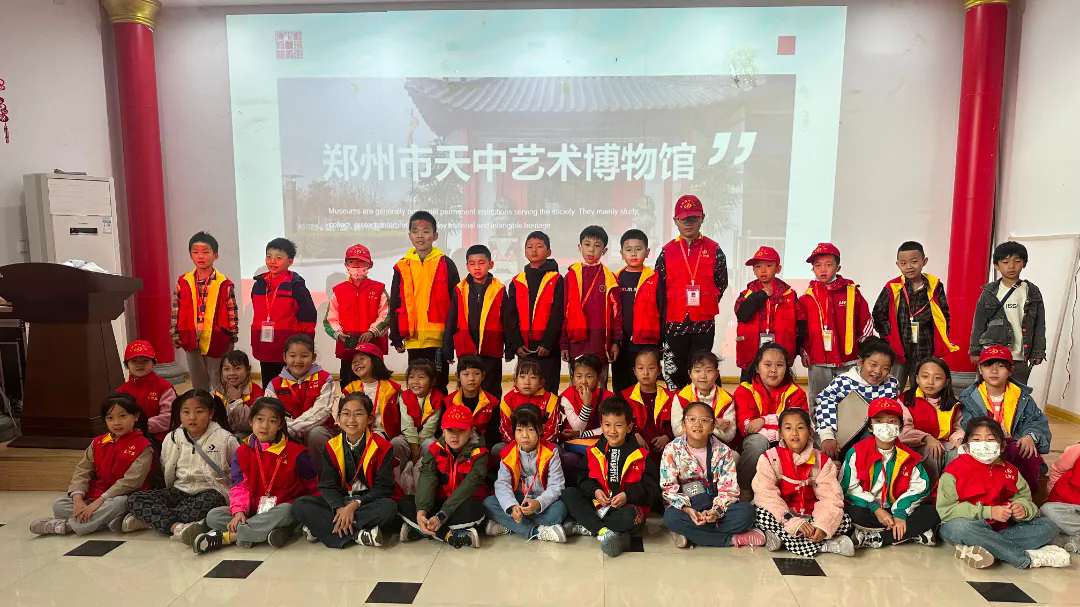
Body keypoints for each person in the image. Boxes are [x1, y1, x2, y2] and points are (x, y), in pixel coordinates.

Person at [938, 417, 1069, 569]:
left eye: (990, 440)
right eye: (977, 440)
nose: (984, 445)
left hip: (1004, 528)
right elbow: (946, 511)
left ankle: (980, 548)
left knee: (1048, 527)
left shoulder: (1011, 471)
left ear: (1001, 446)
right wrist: (989, 512)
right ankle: (1023, 558)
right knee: (957, 528)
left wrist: (1022, 508)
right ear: (967, 447)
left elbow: (1025, 499)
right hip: (971, 527)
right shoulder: (953, 472)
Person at [195, 397, 317, 553]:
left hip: (282, 509)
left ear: (280, 425)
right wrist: (239, 512)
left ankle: (229, 537)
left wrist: (311, 513)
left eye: (272, 421)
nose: (265, 426)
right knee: (213, 516)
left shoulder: (296, 453)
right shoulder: (242, 452)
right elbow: (239, 486)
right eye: (260, 419)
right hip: (253, 510)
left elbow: (312, 488)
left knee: (288, 510)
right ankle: (269, 532)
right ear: (251, 421)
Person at [120, 390, 237, 545]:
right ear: (180, 414)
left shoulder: (225, 438)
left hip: (212, 491)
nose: (192, 417)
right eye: (186, 412)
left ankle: (149, 520)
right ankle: (176, 526)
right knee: (135, 499)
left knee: (204, 504)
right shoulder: (173, 437)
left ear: (211, 413)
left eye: (199, 412)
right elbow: (165, 465)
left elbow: (238, 469)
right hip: (181, 489)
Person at [30, 393, 153, 536]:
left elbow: (131, 482)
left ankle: (68, 526)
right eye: (110, 418)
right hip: (95, 494)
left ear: (136, 416)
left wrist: (99, 502)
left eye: (122, 416)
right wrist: (78, 501)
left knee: (119, 504)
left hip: (122, 495)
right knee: (59, 505)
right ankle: (106, 520)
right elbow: (82, 470)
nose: (116, 423)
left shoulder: (143, 446)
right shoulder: (98, 442)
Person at [293, 393, 399, 549]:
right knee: (300, 504)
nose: (351, 420)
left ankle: (323, 529)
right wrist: (339, 508)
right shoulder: (331, 446)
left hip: (366, 502)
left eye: (358, 414)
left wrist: (354, 506)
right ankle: (358, 534)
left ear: (370, 419)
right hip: (341, 501)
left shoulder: (382, 447)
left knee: (388, 507)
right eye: (346, 414)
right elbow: (327, 485)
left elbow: (384, 487)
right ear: (338, 418)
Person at [561, 397, 660, 557]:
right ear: (601, 426)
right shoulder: (593, 452)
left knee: (630, 517)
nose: (612, 431)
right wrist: (595, 491)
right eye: (607, 425)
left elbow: (652, 489)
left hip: (627, 509)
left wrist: (627, 496)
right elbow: (582, 479)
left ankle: (588, 525)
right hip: (599, 506)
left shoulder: (642, 456)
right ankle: (607, 531)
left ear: (629, 427)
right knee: (568, 494)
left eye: (618, 425)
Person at [752, 408, 854, 557]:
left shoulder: (822, 461)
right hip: (784, 516)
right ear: (780, 434)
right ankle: (825, 546)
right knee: (759, 514)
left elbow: (831, 497)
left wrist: (822, 525)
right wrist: (793, 522)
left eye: (800, 428)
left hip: (812, 516)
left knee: (844, 519)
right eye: (788, 428)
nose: (794, 433)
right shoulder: (769, 458)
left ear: (810, 432)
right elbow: (766, 496)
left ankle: (785, 540)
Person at [841, 397, 939, 549]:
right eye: (879, 421)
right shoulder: (856, 453)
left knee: (932, 512)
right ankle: (911, 533)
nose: (885, 426)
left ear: (900, 427)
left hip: (899, 508)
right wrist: (875, 509)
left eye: (892, 421)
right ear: (870, 427)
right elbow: (849, 488)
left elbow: (920, 488)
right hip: (870, 510)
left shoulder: (909, 457)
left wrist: (900, 513)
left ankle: (877, 537)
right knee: (852, 513)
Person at [661, 401, 761, 549]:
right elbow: (669, 488)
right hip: (688, 506)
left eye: (704, 420)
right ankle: (731, 539)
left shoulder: (723, 452)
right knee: (671, 518)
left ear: (713, 427)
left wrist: (716, 512)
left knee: (747, 513)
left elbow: (729, 491)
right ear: (683, 425)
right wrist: (687, 509)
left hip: (714, 505)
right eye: (692, 419)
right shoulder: (671, 450)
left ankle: (691, 533)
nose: (697, 424)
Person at [655, 194, 729, 390]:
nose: (688, 223)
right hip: (674, 323)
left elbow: (721, 284)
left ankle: (705, 407)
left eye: (693, 218)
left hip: (703, 325)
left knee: (703, 373)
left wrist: (704, 302)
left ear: (702, 218)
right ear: (675, 221)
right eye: (683, 219)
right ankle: (675, 408)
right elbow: (659, 289)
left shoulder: (714, 250)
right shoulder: (666, 251)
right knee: (674, 375)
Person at [958, 344, 1051, 491]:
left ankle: (1026, 497)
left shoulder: (1022, 397)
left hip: (1013, 444)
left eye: (1001, 366)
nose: (994, 371)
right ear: (980, 369)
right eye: (988, 365)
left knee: (1025, 450)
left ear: (1010, 371)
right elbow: (965, 424)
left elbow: (1037, 421)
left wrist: (1030, 436)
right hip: (984, 444)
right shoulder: (968, 398)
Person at [398, 405, 488, 549]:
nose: (455, 436)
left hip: (461, 504)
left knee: (476, 510)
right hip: (439, 502)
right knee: (405, 503)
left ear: (471, 431)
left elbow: (470, 484)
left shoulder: (480, 454)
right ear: (443, 430)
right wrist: (422, 512)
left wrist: (442, 516)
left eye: (461, 430)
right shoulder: (435, 449)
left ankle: (421, 530)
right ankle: (449, 534)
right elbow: (427, 478)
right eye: (450, 430)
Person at [390, 211, 460, 395]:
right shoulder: (402, 266)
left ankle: (439, 415)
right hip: (412, 339)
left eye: (426, 231)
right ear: (410, 236)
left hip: (438, 339)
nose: (420, 236)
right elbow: (395, 302)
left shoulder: (446, 263)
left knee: (438, 383)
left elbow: (456, 304)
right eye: (415, 231)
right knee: (416, 384)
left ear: (435, 236)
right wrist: (395, 335)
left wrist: (452, 338)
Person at [873, 241, 957, 392]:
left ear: (924, 261)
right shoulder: (893, 286)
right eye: (904, 263)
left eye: (914, 261)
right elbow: (878, 313)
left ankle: (918, 406)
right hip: (899, 347)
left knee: (920, 385)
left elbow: (944, 315)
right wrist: (888, 336)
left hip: (925, 346)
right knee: (893, 384)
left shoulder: (934, 286)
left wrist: (940, 340)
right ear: (898, 265)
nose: (909, 267)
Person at [798, 243, 874, 408]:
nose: (823, 270)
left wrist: (863, 350)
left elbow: (866, 321)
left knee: (851, 400)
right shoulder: (806, 298)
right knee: (818, 399)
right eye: (818, 266)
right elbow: (801, 329)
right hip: (818, 360)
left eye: (828, 265)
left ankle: (848, 426)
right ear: (813, 269)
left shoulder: (852, 292)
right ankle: (819, 425)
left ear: (838, 267)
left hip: (849, 359)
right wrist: (804, 351)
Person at [484, 404, 568, 542]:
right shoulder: (508, 453)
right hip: (517, 500)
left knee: (560, 510)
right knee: (489, 503)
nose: (525, 436)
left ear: (541, 430)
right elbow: (502, 484)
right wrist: (511, 506)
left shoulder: (551, 452)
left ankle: (509, 525)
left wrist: (538, 503)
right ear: (513, 432)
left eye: (531, 429)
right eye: (519, 430)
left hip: (541, 502)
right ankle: (536, 531)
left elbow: (556, 486)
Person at [734, 343, 810, 490]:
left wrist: (763, 421)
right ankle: (744, 489)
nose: (773, 370)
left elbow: (798, 424)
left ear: (786, 368)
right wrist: (780, 427)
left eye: (779, 365)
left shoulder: (796, 393)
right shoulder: (745, 390)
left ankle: (794, 489)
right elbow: (748, 427)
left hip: (786, 438)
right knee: (758, 443)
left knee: (806, 440)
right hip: (753, 441)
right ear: (757, 368)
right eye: (767, 365)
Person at [970, 241, 1046, 386]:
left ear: (1024, 263)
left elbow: (1039, 324)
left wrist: (1038, 351)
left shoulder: (1032, 291)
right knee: (986, 392)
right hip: (992, 352)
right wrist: (975, 350)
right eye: (1005, 262)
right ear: (996, 265)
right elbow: (979, 323)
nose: (1011, 266)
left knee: (1016, 393)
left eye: (1017, 261)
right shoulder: (989, 292)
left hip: (1020, 355)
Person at [170, 231, 238, 391]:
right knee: (198, 383)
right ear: (190, 256)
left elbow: (232, 311)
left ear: (216, 255)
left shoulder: (224, 283)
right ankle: (201, 405)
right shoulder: (183, 281)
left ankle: (221, 407)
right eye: (196, 252)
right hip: (190, 337)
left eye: (206, 252)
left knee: (219, 382)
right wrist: (174, 332)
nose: (200, 256)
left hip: (216, 338)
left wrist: (232, 336)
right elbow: (176, 308)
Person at [814, 336, 900, 459]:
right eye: (873, 364)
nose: (878, 371)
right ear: (860, 362)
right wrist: (827, 435)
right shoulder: (844, 381)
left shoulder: (892, 384)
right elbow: (824, 404)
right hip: (843, 440)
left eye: (885, 368)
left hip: (876, 441)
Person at [264, 334, 339, 473]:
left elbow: (322, 411)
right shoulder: (274, 385)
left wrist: (293, 429)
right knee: (269, 433)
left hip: (318, 429)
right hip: (286, 430)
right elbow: (271, 414)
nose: (298, 361)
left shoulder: (324, 379)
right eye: (292, 356)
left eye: (304, 356)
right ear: (284, 357)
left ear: (313, 357)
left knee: (316, 434)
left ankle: (322, 480)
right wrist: (286, 429)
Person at [250, 237, 317, 386]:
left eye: (278, 258)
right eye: (269, 256)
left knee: (290, 387)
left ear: (290, 262)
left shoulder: (296, 286)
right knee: (269, 387)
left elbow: (309, 318)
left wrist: (303, 347)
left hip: (290, 350)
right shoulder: (258, 285)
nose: (272, 261)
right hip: (266, 347)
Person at [504, 230, 565, 393]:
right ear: (524, 251)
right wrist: (516, 344)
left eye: (539, 246)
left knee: (548, 390)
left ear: (549, 252)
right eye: (529, 247)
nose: (534, 250)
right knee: (525, 390)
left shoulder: (557, 280)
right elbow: (511, 317)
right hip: (524, 347)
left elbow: (558, 314)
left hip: (548, 348)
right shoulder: (517, 281)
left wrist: (547, 343)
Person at [733, 245, 803, 383]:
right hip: (751, 356)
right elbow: (742, 315)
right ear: (753, 270)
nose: (763, 270)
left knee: (781, 391)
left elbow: (800, 324)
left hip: (780, 358)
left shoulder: (789, 295)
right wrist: (760, 295)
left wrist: (796, 352)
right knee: (748, 391)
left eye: (768, 266)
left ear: (778, 269)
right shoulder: (746, 294)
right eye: (758, 266)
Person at [324, 244, 390, 388]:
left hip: (373, 347)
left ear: (370, 265)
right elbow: (330, 319)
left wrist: (372, 332)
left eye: (360, 262)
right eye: (352, 262)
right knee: (348, 386)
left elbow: (386, 315)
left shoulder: (379, 289)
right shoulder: (339, 291)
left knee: (376, 386)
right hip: (348, 349)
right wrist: (339, 335)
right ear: (345, 264)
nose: (356, 266)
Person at [561, 225, 621, 385]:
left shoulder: (610, 278)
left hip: (599, 344)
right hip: (576, 344)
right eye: (587, 244)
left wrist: (615, 342)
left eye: (597, 246)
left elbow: (616, 314)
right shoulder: (570, 276)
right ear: (579, 247)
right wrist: (564, 344)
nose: (591, 250)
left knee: (600, 387)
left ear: (604, 250)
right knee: (577, 388)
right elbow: (564, 312)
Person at [444, 244, 505, 400]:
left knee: (491, 389)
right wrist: (448, 348)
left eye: (481, 263)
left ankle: (492, 415)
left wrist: (510, 348)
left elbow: (507, 320)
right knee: (467, 388)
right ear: (467, 266)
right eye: (472, 263)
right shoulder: (460, 289)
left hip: (491, 348)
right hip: (466, 348)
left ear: (491, 264)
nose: (477, 267)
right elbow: (451, 320)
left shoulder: (499, 289)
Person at [341, 343, 410, 471]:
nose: (357, 363)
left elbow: (405, 417)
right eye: (354, 361)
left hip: (389, 435)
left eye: (362, 359)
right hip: (359, 434)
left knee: (398, 443)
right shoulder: (349, 390)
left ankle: (399, 477)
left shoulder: (392, 388)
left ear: (375, 361)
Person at [899, 356, 963, 484]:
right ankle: (928, 489)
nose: (930, 382)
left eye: (937, 378)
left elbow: (958, 427)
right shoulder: (905, 400)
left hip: (944, 444)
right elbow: (903, 432)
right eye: (925, 376)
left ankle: (949, 489)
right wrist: (927, 438)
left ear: (946, 382)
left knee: (958, 450)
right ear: (917, 379)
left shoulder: (952, 404)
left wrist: (959, 439)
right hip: (917, 446)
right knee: (932, 451)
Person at [612, 229, 661, 393]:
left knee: (645, 386)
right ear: (621, 253)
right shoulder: (614, 279)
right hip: (621, 344)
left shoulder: (654, 278)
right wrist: (613, 341)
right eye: (628, 249)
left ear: (647, 252)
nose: (633, 253)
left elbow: (662, 311)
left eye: (638, 249)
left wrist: (660, 344)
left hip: (646, 344)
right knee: (621, 387)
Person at [559, 354, 614, 481]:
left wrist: (582, 434)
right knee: (569, 460)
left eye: (589, 376)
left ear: (598, 378)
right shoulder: (567, 397)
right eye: (579, 376)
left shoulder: (608, 397)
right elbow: (577, 427)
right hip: (574, 444)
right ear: (572, 378)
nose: (583, 381)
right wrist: (587, 405)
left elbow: (609, 427)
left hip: (601, 442)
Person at [672, 350, 736, 446]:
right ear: (690, 374)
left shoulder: (727, 399)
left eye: (709, 371)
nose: (703, 376)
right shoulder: (681, 397)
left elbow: (729, 435)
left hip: (718, 448)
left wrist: (695, 425)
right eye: (697, 371)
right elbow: (678, 431)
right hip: (688, 447)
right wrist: (713, 423)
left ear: (717, 374)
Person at [116, 340, 176, 441]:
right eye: (134, 361)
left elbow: (168, 418)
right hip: (127, 436)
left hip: (158, 439)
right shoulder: (121, 391)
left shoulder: (164, 387)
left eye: (145, 360)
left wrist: (140, 427)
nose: (140, 364)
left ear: (154, 363)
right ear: (126, 365)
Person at [621, 347, 675, 456]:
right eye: (640, 368)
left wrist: (667, 437)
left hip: (664, 451)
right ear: (634, 371)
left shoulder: (670, 398)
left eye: (651, 368)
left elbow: (675, 423)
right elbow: (621, 422)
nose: (645, 373)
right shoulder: (625, 396)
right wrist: (634, 434)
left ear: (659, 370)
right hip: (634, 450)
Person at [498, 358, 561, 450]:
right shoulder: (508, 399)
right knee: (497, 449)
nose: (527, 382)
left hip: (542, 445)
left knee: (556, 449)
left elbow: (552, 429)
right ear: (515, 381)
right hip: (516, 444)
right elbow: (505, 428)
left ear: (541, 382)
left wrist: (537, 446)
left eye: (533, 377)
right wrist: (520, 447)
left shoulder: (551, 399)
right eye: (522, 377)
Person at [444, 355, 500, 449]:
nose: (471, 379)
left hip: (483, 447)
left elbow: (494, 435)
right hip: (455, 446)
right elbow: (443, 430)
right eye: (466, 374)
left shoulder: (492, 403)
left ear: (483, 376)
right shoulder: (448, 402)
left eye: (476, 374)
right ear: (458, 376)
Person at [401, 359, 444, 463]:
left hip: (427, 437)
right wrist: (414, 447)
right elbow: (407, 425)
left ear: (432, 381)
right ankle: (400, 471)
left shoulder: (438, 398)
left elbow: (430, 428)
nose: (415, 382)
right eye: (411, 377)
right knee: (396, 442)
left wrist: (417, 452)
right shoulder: (404, 396)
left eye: (421, 377)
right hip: (408, 437)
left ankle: (424, 470)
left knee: (430, 444)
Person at [1040, 441, 1080, 553]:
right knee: (1047, 510)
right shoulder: (1076, 450)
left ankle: (1070, 540)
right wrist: (1053, 493)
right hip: (1069, 505)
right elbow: (1057, 470)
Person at [216, 350, 264, 435]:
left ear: (248, 369)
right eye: (226, 369)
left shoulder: (257, 393)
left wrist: (236, 401)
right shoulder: (217, 392)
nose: (232, 373)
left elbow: (250, 425)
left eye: (237, 368)